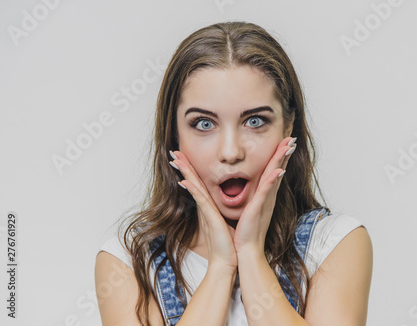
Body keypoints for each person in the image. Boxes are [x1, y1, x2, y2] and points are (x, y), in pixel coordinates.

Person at [95, 21, 373, 326]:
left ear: (288, 126)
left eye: (254, 121)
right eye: (204, 124)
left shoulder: (334, 243)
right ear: (174, 136)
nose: (230, 152)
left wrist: (251, 255)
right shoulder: (128, 261)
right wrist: (221, 266)